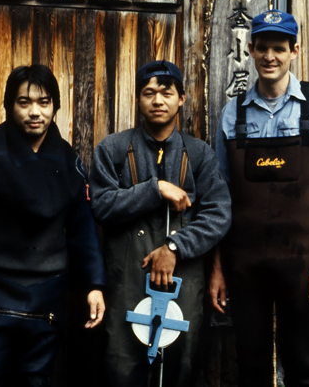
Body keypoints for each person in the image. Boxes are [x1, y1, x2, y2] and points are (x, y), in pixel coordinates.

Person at [0, 64, 106, 387]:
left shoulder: (70, 163)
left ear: (55, 106)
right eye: (24, 102)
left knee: (36, 380)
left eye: (44, 102)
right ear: (8, 105)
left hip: (48, 291)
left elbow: (83, 231)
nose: (35, 112)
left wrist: (94, 285)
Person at [209, 10, 309, 387]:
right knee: (251, 367)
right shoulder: (232, 114)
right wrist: (218, 269)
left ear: (294, 51)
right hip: (243, 265)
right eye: (263, 48)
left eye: (279, 48)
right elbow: (220, 199)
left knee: (304, 367)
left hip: (300, 265)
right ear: (251, 50)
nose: (270, 56)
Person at [89, 60, 231, 387]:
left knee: (182, 362)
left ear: (181, 99)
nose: (157, 101)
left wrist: (175, 246)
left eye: (166, 93)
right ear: (138, 99)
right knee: (122, 364)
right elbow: (101, 205)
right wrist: (155, 190)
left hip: (185, 278)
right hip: (127, 276)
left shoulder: (199, 154)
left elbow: (218, 213)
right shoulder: (112, 149)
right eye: (149, 93)